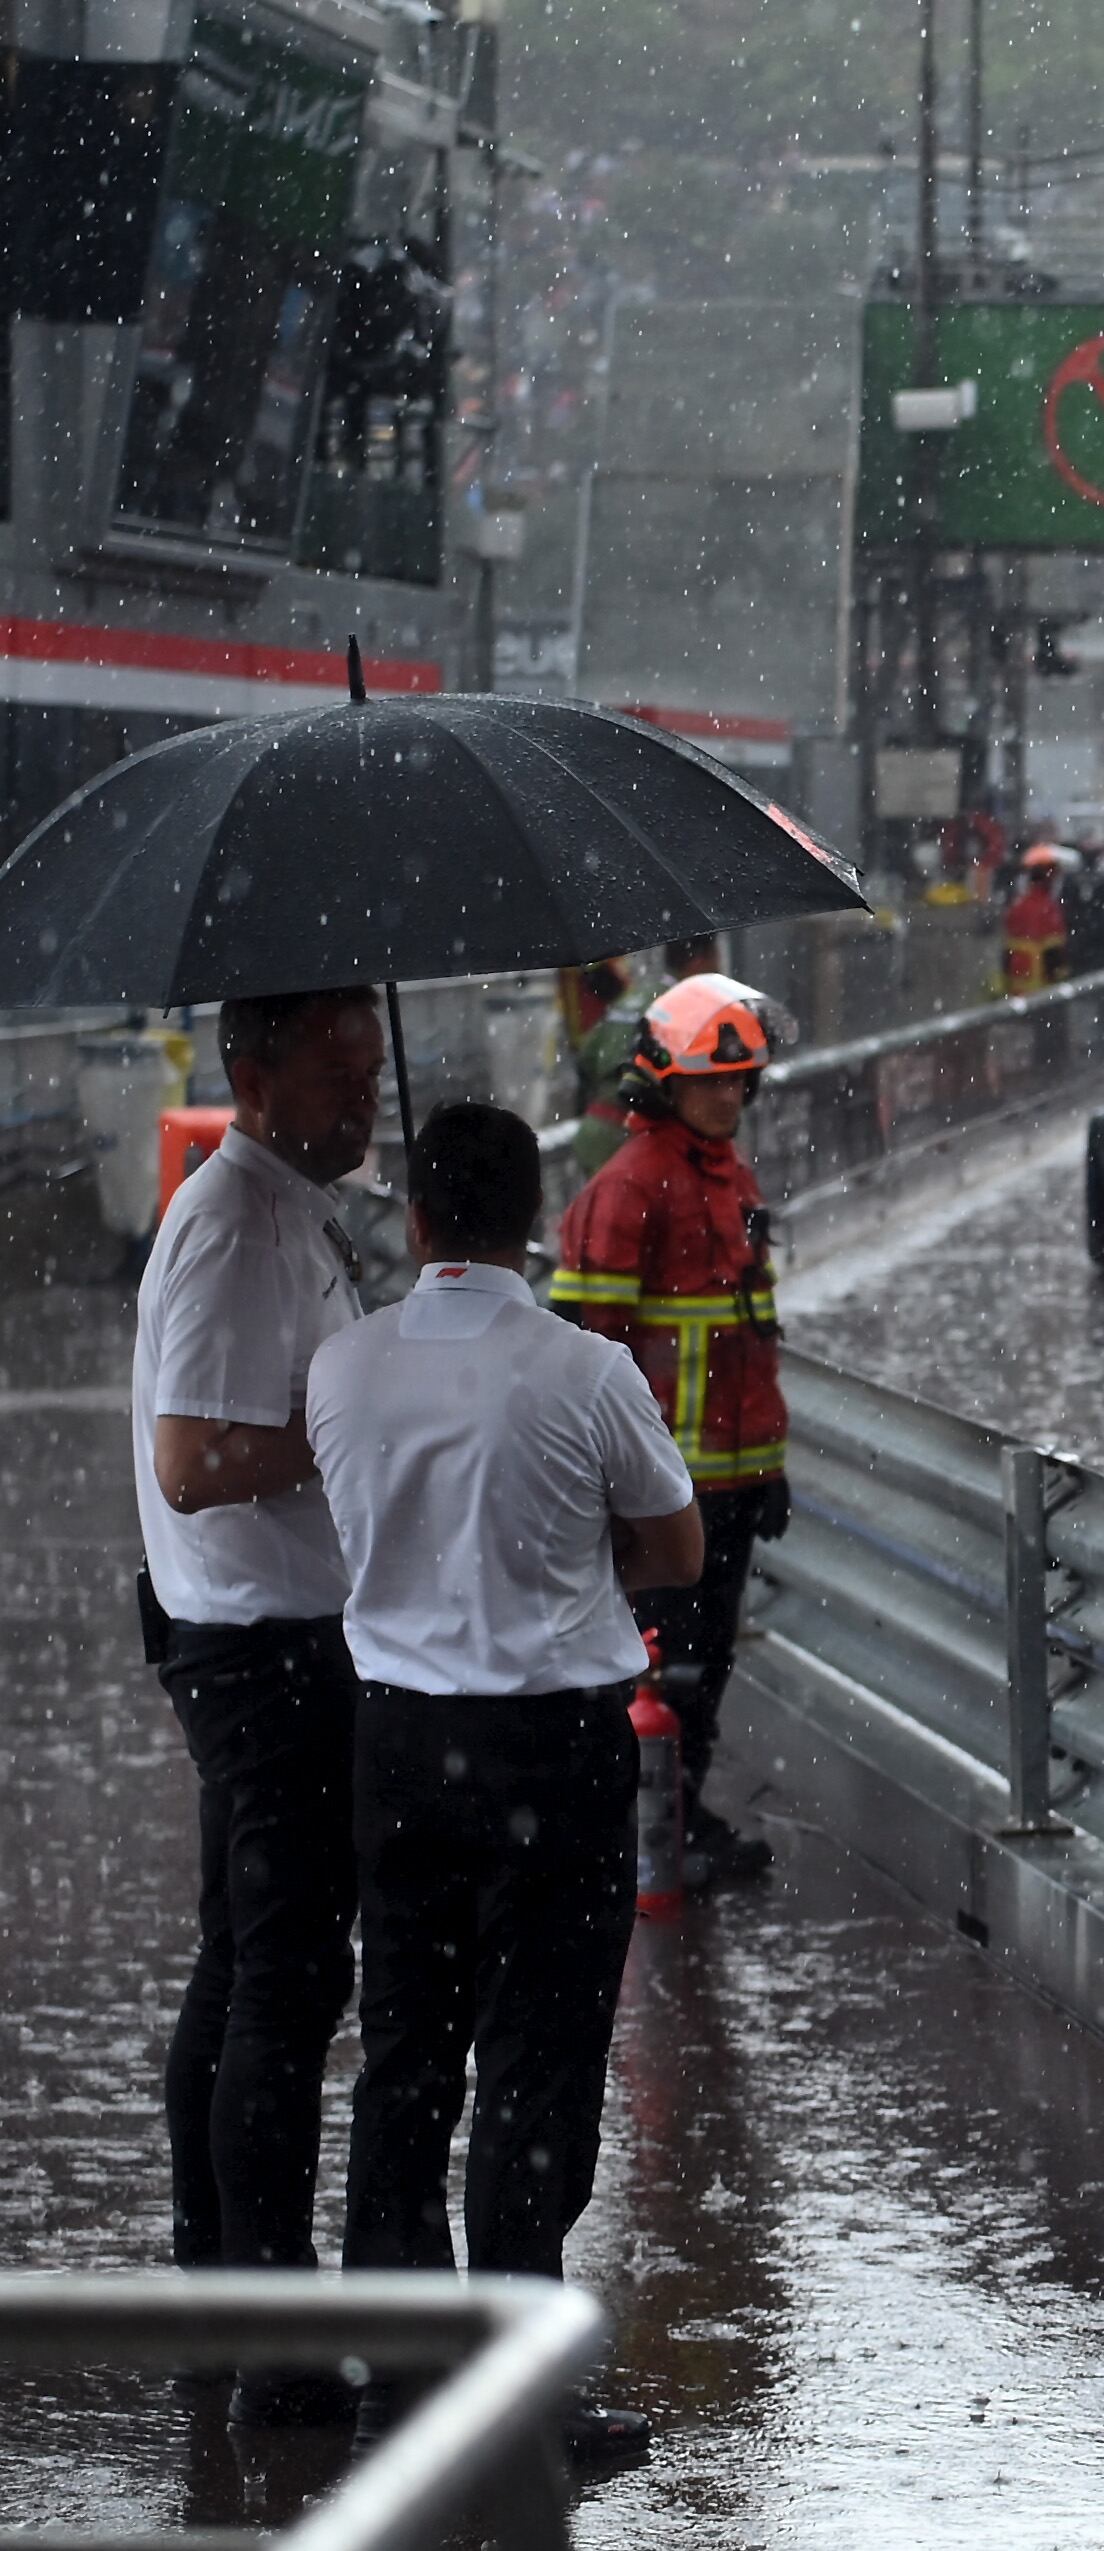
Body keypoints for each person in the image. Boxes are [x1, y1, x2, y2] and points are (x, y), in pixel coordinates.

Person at [310, 1103, 695, 2460]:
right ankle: (519, 2388)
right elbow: (674, 1545)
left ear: (417, 1217)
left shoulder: (343, 1367)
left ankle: (397, 2380)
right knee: (538, 2065)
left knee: (408, 2053)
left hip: (401, 1744)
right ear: (532, 1214)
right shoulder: (586, 1371)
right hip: (553, 1747)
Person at [133, 986, 384, 2423]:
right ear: (253, 1068)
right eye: (335, 1073)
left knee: (244, 1968)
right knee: (281, 1986)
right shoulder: (236, 1221)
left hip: (261, 1632)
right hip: (261, 1648)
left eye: (366, 1070)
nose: (360, 1100)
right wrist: (349, 1429)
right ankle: (276, 2349)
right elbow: (190, 1458)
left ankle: (222, 2298)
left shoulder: (287, 1202)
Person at [549, 973, 791, 1889]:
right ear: (664, 1083)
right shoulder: (627, 1188)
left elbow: (752, 1342)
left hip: (727, 1483)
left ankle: (680, 1817)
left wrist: (767, 1469)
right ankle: (638, 1830)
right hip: (658, 1489)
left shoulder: (733, 1181)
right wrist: (608, 1483)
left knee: (707, 1663)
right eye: (711, 1082)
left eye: (739, 1081)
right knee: (660, 1665)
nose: (729, 1095)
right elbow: (587, 1354)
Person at [560, 963, 644, 1179]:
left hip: (594, 1128)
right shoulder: (640, 1006)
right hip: (620, 1135)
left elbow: (586, 1059)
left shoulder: (608, 1019)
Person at [1000, 854, 1069, 996]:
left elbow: (1007, 944)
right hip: (1043, 985)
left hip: (1018, 981)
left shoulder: (1017, 905)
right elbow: (1054, 949)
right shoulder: (1049, 907)